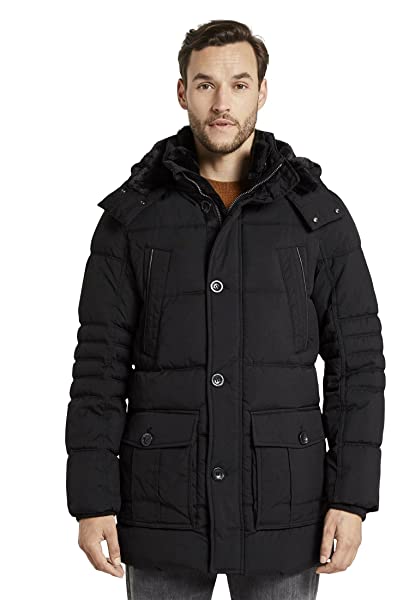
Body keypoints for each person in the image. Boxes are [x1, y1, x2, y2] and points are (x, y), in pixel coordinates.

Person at [65, 19, 385, 600]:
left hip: (285, 507)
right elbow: (99, 367)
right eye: (205, 84)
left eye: (238, 85)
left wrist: (351, 498)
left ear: (262, 91)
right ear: (181, 92)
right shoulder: (132, 219)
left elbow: (358, 363)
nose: (221, 103)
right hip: (161, 503)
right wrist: (92, 500)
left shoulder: (316, 217)